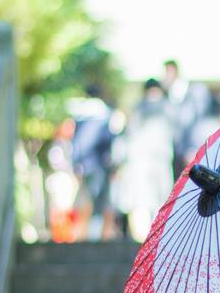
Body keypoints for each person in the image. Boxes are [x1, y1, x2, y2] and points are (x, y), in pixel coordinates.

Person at [119, 79, 176, 242]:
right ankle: (157, 237)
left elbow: (129, 135)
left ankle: (144, 239)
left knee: (142, 199)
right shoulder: (168, 107)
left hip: (140, 159)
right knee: (160, 198)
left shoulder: (139, 108)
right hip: (160, 158)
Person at [70, 86, 116, 240]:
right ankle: (94, 237)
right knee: (99, 203)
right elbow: (108, 141)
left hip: (83, 165)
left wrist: (75, 164)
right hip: (100, 165)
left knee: (84, 201)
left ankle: (83, 237)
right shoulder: (105, 115)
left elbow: (75, 143)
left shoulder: (79, 116)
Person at [162, 59, 211, 179]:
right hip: (176, 152)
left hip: (190, 150)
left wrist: (192, 148)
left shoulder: (195, 92)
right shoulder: (169, 95)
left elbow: (198, 122)